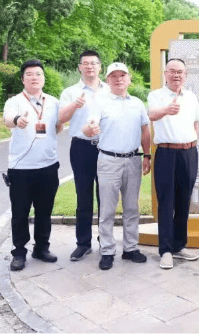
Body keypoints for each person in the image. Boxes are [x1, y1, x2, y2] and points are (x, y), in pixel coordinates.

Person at [83, 62, 151, 270]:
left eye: (123, 75)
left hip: (133, 160)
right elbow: (90, 125)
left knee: (131, 207)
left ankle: (130, 248)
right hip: (108, 161)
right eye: (114, 76)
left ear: (129, 79)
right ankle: (107, 250)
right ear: (107, 80)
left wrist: (147, 155)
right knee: (107, 209)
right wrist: (89, 130)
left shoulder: (137, 103)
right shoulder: (100, 102)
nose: (119, 79)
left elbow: (145, 131)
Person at [3, 60, 62, 271]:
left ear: (43, 78)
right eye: (29, 74)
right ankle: (19, 252)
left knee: (44, 211)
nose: (34, 77)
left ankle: (41, 248)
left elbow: (58, 126)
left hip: (48, 165)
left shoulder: (53, 102)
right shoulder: (14, 101)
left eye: (38, 74)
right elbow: (8, 119)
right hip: (21, 168)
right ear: (22, 79)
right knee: (20, 213)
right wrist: (18, 120)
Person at [148, 58, 199, 269]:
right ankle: (166, 250)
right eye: (172, 71)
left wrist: (192, 141)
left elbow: (196, 121)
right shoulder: (156, 96)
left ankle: (179, 245)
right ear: (165, 74)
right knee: (166, 201)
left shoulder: (191, 96)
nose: (176, 75)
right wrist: (166, 110)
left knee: (183, 200)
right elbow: (151, 115)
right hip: (166, 153)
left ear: (185, 75)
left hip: (188, 153)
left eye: (180, 71)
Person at [58, 50, 110, 261]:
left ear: (100, 67)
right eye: (85, 63)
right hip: (81, 148)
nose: (90, 66)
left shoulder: (110, 90)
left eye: (93, 63)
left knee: (106, 196)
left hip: (106, 147)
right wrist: (74, 105)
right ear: (79, 67)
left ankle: (105, 242)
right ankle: (83, 244)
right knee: (83, 196)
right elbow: (60, 119)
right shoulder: (70, 92)